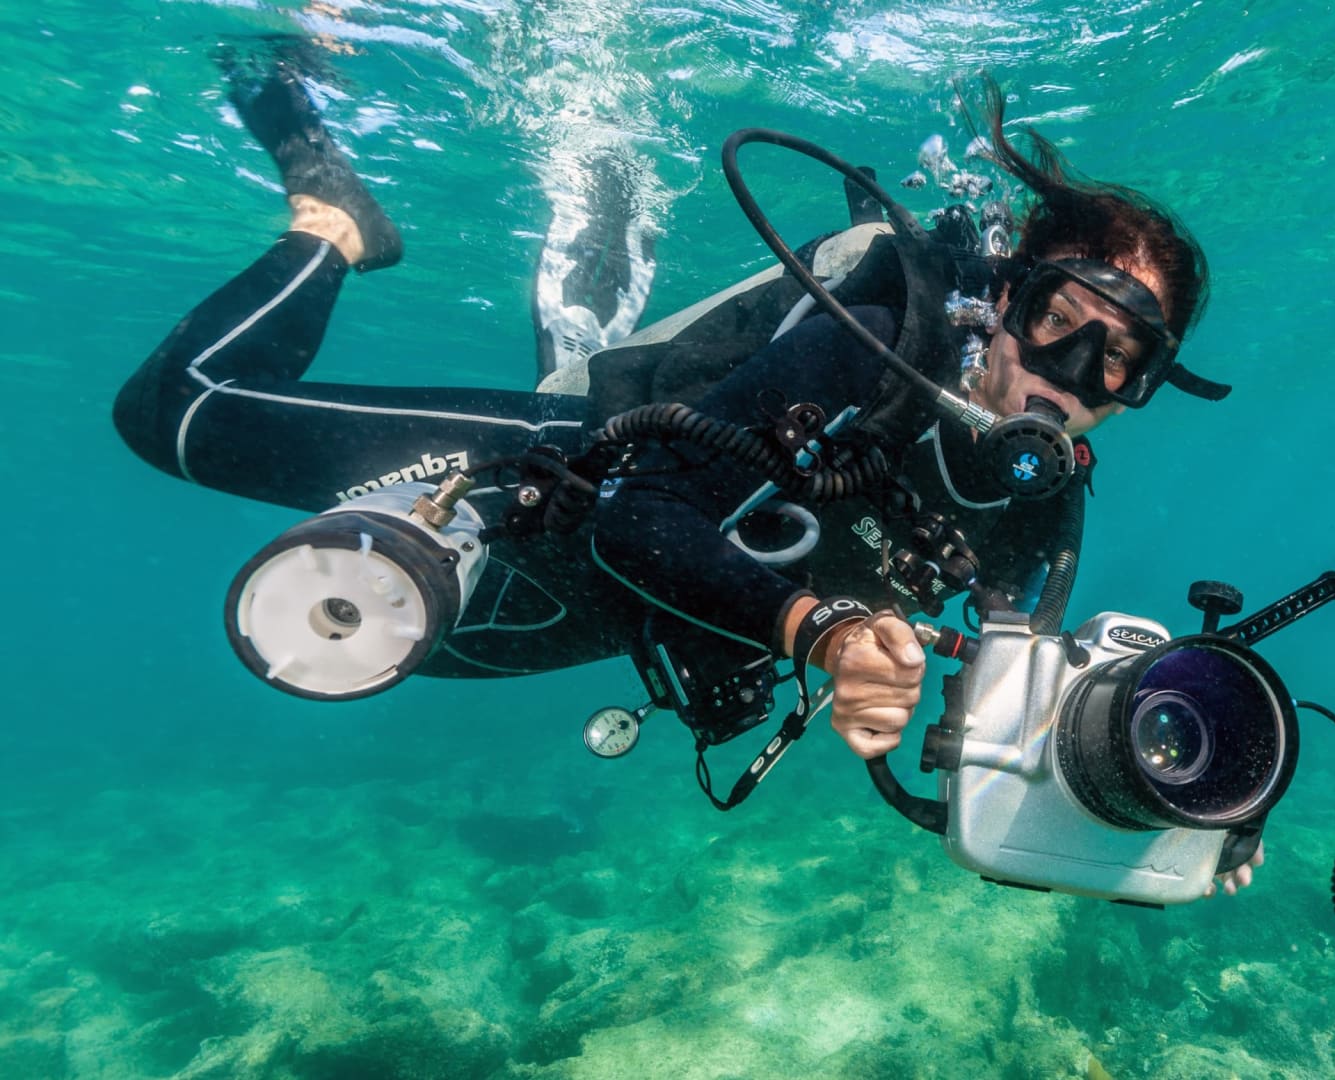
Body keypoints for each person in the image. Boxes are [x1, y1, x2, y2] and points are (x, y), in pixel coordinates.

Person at [115, 54, 1264, 895]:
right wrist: (823, 634)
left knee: (383, 635)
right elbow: (640, 511)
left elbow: (1022, 717)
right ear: (1002, 298)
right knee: (177, 412)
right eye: (1057, 322)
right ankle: (333, 222)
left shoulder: (1039, 504)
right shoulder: (874, 347)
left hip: (573, 621)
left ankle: (589, 309)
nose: (1069, 378)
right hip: (560, 469)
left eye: (1121, 362)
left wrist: (1169, 801)